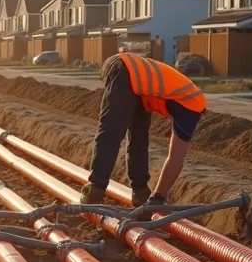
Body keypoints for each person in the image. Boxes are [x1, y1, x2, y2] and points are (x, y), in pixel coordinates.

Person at [81, 50, 206, 207]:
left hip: (142, 88)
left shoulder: (191, 101)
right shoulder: (191, 109)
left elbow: (175, 158)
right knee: (112, 130)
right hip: (122, 67)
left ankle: (140, 192)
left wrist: (157, 197)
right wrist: (159, 197)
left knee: (139, 138)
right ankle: (95, 188)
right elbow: (176, 159)